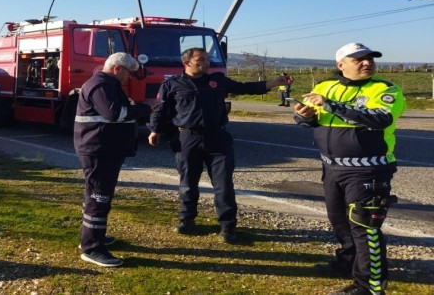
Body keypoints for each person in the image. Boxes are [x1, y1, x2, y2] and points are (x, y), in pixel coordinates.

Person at [147, 47, 293, 244]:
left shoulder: (217, 80)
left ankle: (227, 226)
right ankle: (187, 220)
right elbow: (159, 109)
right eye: (201, 59)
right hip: (187, 139)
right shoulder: (172, 84)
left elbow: (246, 88)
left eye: (207, 59)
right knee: (188, 183)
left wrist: (274, 83)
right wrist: (155, 130)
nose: (206, 62)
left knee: (223, 185)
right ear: (187, 63)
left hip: (217, 138)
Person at [293, 43, 405, 295]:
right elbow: (312, 120)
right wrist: (304, 115)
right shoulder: (324, 87)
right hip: (332, 167)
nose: (367, 63)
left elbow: (380, 118)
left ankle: (370, 286)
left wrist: (331, 105)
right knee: (340, 222)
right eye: (359, 59)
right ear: (340, 64)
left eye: (370, 59)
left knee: (364, 227)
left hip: (368, 170)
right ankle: (347, 264)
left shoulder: (385, 89)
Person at [73, 52, 153, 267]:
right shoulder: (102, 85)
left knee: (96, 194)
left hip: (104, 148)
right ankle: (92, 248)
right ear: (117, 68)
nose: (129, 78)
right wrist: (145, 108)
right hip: (99, 149)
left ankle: (92, 236)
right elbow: (115, 113)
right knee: (99, 197)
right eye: (129, 73)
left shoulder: (107, 84)